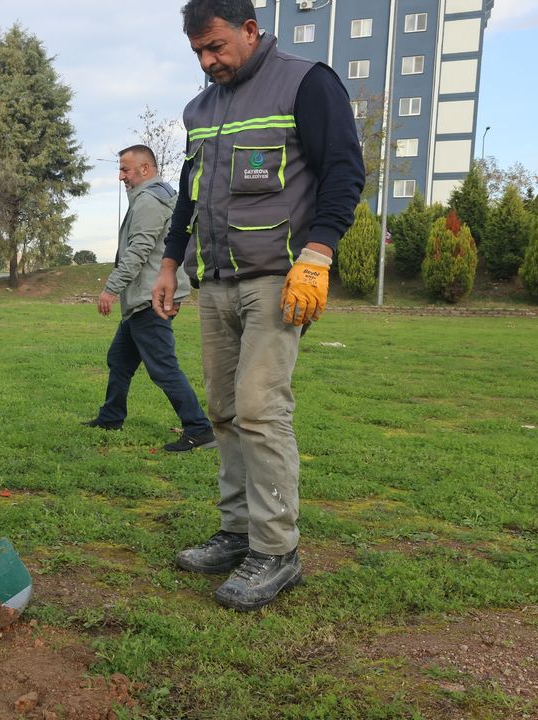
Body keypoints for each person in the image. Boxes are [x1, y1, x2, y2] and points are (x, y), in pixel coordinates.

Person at [152, 0, 364, 611]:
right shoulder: (200, 109)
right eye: (197, 51)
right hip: (215, 281)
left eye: (215, 46)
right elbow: (188, 199)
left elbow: (345, 171)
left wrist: (319, 252)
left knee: (259, 407)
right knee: (222, 409)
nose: (207, 60)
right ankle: (238, 531)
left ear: (250, 30)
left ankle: (277, 549)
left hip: (280, 277)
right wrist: (170, 263)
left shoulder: (306, 82)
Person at [83, 145, 214, 453]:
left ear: (145, 169)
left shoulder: (149, 200)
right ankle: (111, 417)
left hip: (150, 298)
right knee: (119, 359)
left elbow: (138, 251)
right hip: (145, 298)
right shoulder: (156, 196)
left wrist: (111, 288)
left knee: (163, 367)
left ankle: (199, 429)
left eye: (125, 170)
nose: (120, 176)